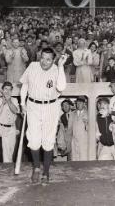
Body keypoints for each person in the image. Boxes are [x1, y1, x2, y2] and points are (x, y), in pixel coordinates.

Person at [19, 47, 67, 184]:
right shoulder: (33, 66)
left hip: (51, 106)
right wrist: (22, 104)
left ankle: (46, 171)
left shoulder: (57, 69)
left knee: (48, 141)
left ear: (53, 60)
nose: (44, 62)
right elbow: (24, 86)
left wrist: (61, 66)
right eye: (42, 58)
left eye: (48, 59)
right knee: (33, 140)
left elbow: (62, 87)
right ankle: (36, 168)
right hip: (33, 105)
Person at [68, 96, 89, 161]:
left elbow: (91, 130)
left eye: (80, 102)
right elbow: (69, 128)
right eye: (77, 102)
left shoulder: (88, 113)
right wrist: (68, 141)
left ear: (84, 104)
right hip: (74, 141)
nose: (78, 104)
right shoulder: (72, 114)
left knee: (83, 159)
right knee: (74, 159)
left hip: (84, 141)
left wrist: (87, 124)